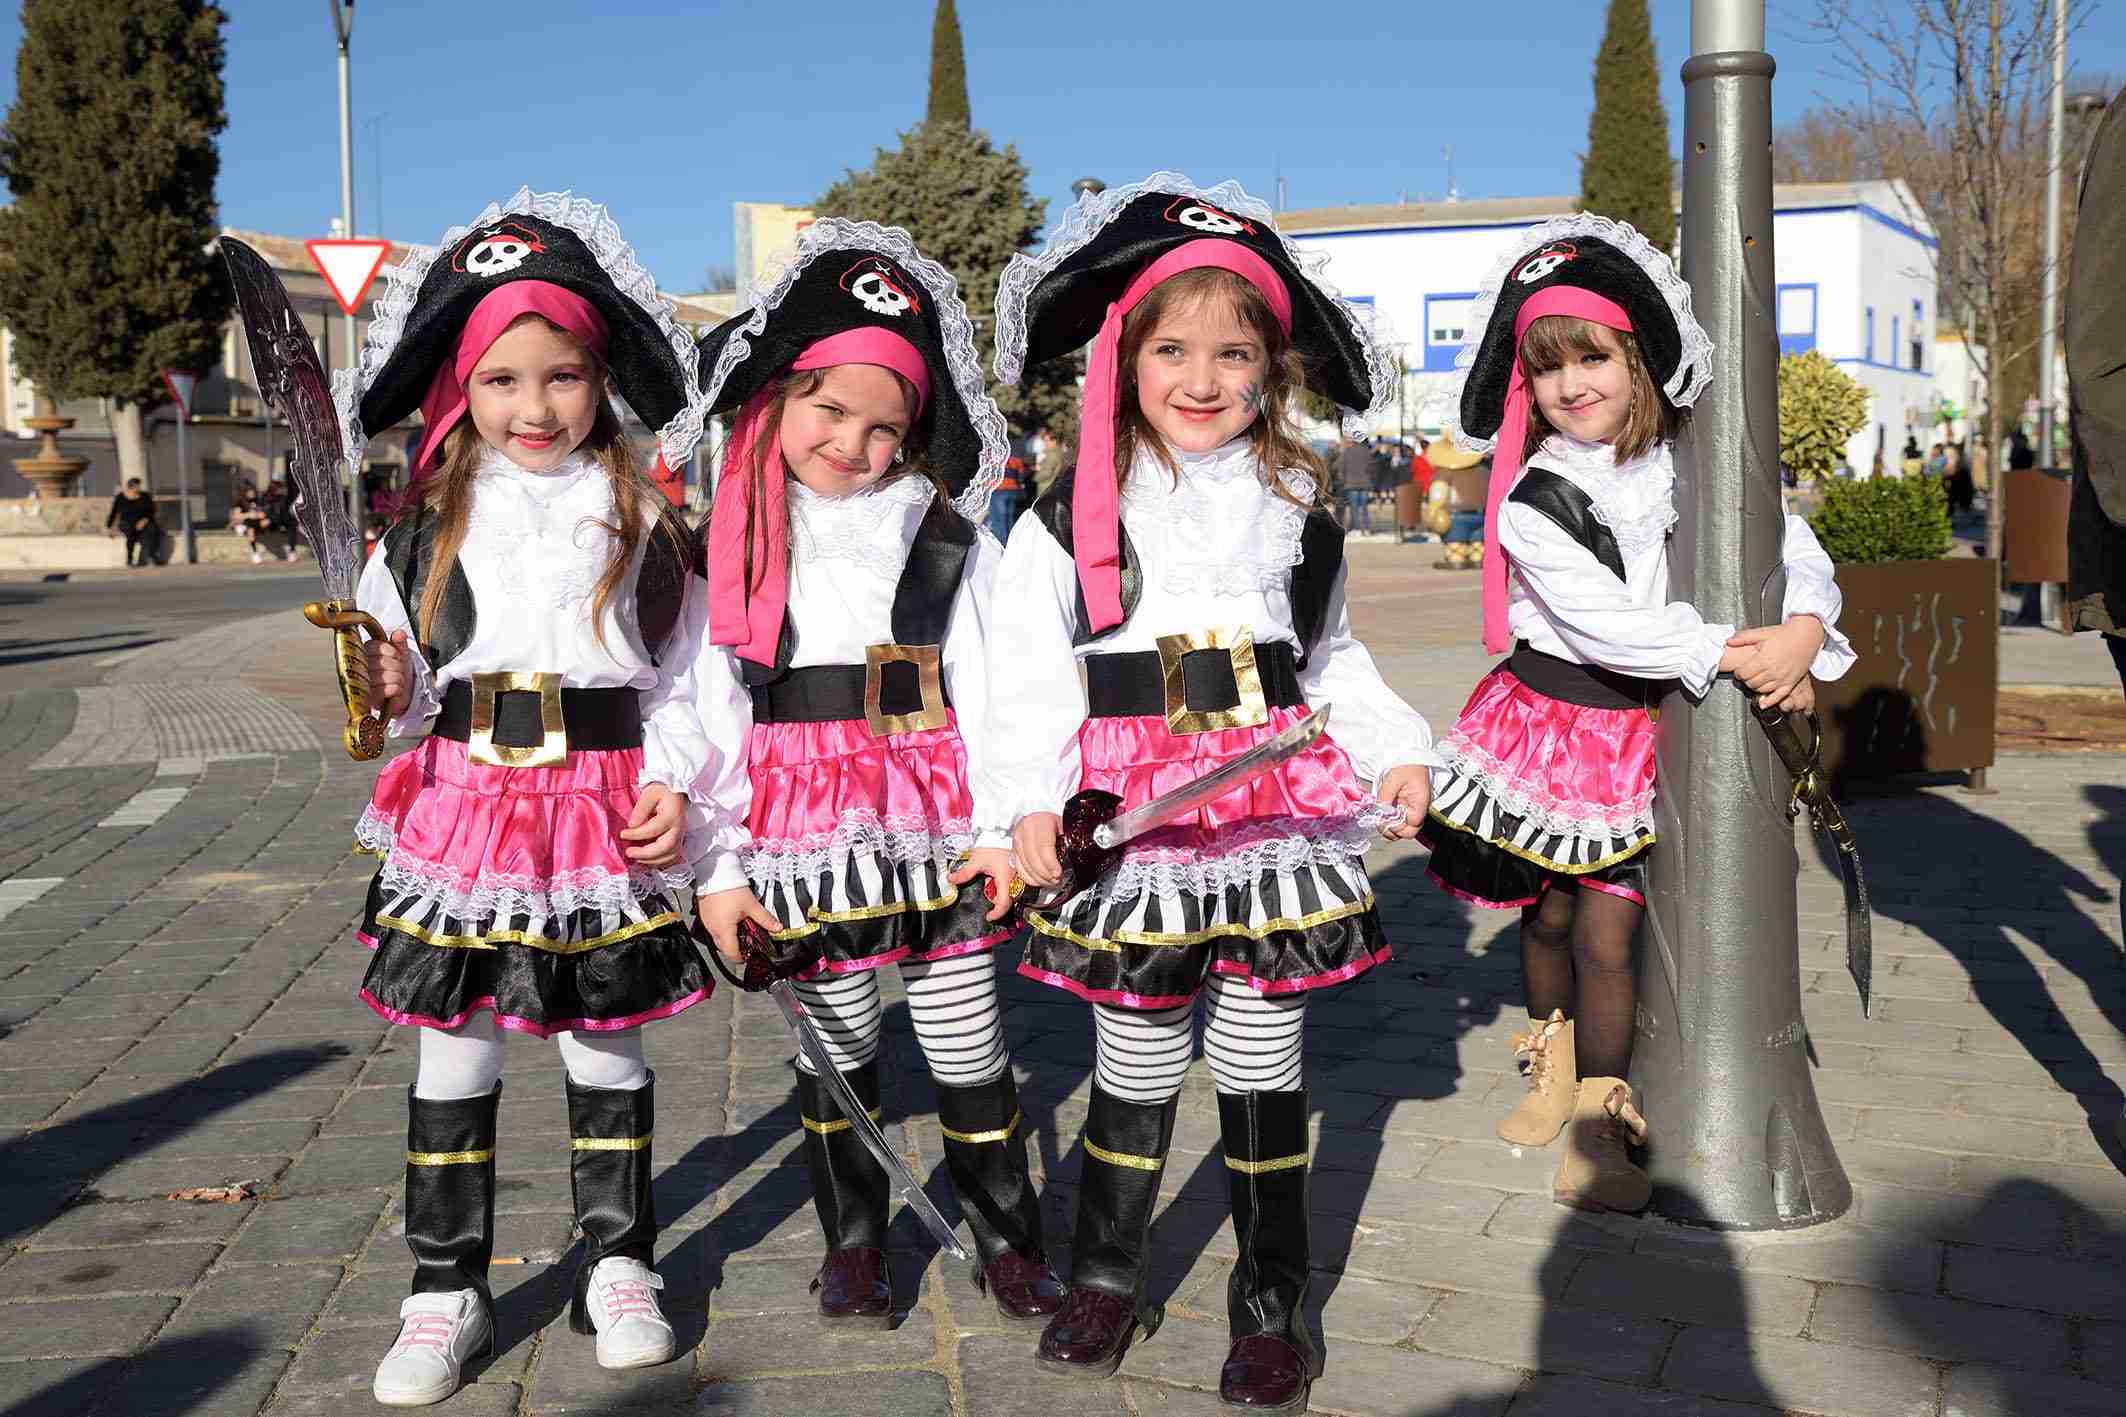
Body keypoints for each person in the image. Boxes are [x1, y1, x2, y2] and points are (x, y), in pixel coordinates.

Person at [983, 176, 1438, 1408]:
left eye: (1231, 352)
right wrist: (1023, 800)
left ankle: (1272, 1296)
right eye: (1171, 349)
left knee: (1257, 1049)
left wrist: (1397, 748)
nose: (1201, 377)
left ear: (1269, 368)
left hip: (1268, 806)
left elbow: (1330, 659)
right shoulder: (1055, 519)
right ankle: (1104, 1275)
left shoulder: (1300, 506)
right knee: (1130, 1050)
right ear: (1121, 361)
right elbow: (1024, 679)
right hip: (1129, 812)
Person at [349, 191, 712, 1405]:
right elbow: (389, 709)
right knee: (456, 1052)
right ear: (463, 392)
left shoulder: (650, 521)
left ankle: (619, 1259)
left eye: (560, 376)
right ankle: (445, 1284)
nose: (534, 406)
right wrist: (387, 684)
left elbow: (685, 680)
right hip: (468, 806)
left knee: (606, 1044)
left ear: (596, 383)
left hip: (600, 809)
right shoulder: (415, 536)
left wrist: (676, 779)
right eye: (501, 380)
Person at [1416, 216, 1856, 1215]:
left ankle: (1600, 1120)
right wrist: (1732, 653)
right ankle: (1551, 1073)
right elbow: (1611, 627)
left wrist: (1799, 629)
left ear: (1636, 358)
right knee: (1551, 912)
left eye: (1593, 357)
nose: (1572, 384)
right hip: (1553, 721)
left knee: (1609, 932)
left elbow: (1793, 545)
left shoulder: (1693, 459)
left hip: (1640, 726)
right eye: (1547, 371)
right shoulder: (1534, 498)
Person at [680, 223, 1065, 1328]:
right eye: (829, 412)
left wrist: (999, 824)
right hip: (796, 817)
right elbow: (707, 711)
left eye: (883, 425)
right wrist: (722, 864)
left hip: (929, 811)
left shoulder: (946, 536)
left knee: (963, 1029)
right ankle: (852, 1243)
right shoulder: (728, 543)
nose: (852, 442)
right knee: (835, 1035)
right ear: (777, 401)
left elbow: (997, 685)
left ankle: (1006, 1235)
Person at [105, 478, 159, 568]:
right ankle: (129, 560)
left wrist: (145, 520)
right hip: (126, 522)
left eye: (139, 486)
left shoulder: (145, 496)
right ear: (130, 487)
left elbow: (152, 511)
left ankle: (151, 557)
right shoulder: (121, 497)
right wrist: (109, 527)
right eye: (136, 487)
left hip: (144, 522)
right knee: (131, 533)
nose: (138, 489)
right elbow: (114, 512)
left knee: (151, 531)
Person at [1335, 433, 1375, 532]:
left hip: (1351, 483)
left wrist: (1343, 480)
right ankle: (1366, 528)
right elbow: (1372, 467)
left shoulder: (1347, 451)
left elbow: (1340, 467)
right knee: (1364, 507)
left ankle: (1357, 528)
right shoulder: (1367, 452)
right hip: (1365, 483)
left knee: (1354, 508)